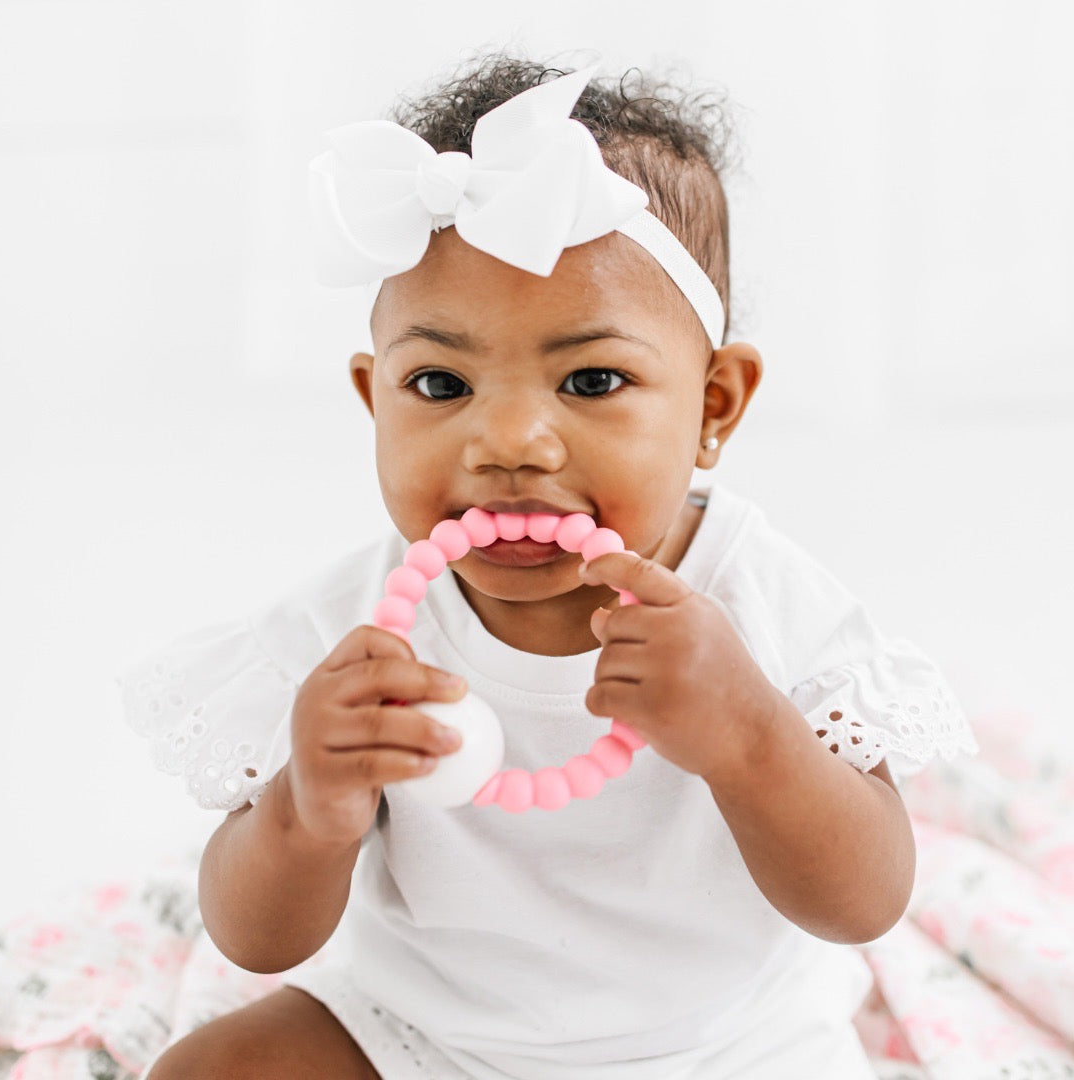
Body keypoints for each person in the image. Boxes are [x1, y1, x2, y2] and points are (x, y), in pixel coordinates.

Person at [120, 52, 979, 1080]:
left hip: (726, 1048)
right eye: (440, 381)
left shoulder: (759, 599)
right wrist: (309, 807)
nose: (513, 440)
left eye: (592, 378)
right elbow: (257, 940)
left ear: (715, 407)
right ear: (372, 398)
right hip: (423, 1036)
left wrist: (753, 736)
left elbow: (864, 901)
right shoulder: (352, 634)